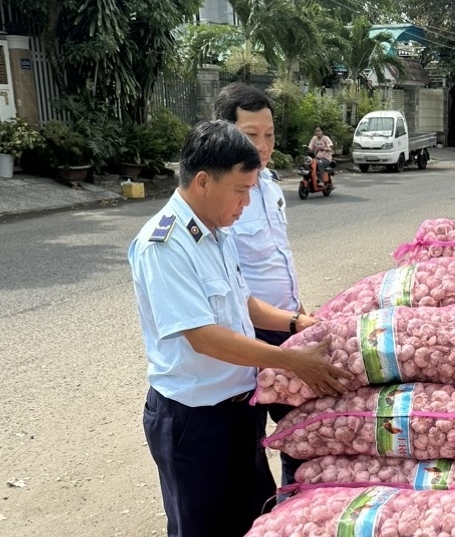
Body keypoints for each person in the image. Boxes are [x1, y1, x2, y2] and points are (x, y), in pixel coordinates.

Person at [128, 120, 352, 537]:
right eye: (240, 190)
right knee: (202, 528)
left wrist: (297, 322)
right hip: (194, 420)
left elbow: (243, 304)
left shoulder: (217, 232)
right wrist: (292, 361)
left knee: (253, 519)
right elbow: (203, 337)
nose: (246, 203)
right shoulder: (164, 245)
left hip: (239, 408)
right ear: (202, 182)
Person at [213, 83, 310, 494]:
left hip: (287, 322)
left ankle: (295, 506)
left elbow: (277, 255)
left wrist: (298, 312)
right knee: (248, 436)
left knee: (300, 431)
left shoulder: (268, 183)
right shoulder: (220, 198)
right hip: (249, 333)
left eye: (269, 134)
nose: (263, 146)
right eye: (251, 135)